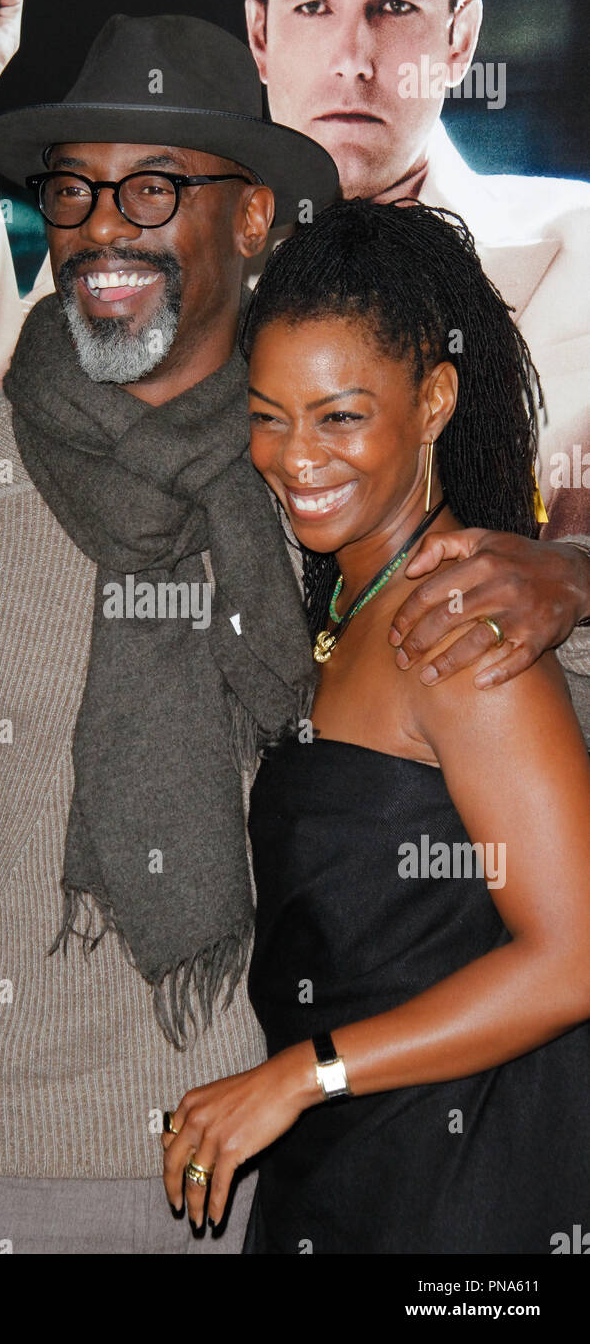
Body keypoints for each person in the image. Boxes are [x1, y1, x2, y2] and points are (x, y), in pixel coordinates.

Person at [0, 13, 338, 1255]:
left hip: (296, 1175)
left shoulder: (320, 494)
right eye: (74, 189)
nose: (99, 227)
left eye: (150, 186)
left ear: (251, 219)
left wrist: (562, 584)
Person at [160, 199, 590, 1254]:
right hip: (363, 1169)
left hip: (457, 1191)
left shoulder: (456, 633)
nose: (295, 457)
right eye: (267, 414)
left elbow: (575, 957)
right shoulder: (350, 605)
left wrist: (300, 1076)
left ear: (434, 398)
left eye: (339, 415)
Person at [0, 0, 590, 539]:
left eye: (395, 7)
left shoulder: (579, 248)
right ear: (261, 36)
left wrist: (577, 573)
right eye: (314, 6)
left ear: (459, 41)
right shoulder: (164, 237)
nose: (353, 60)